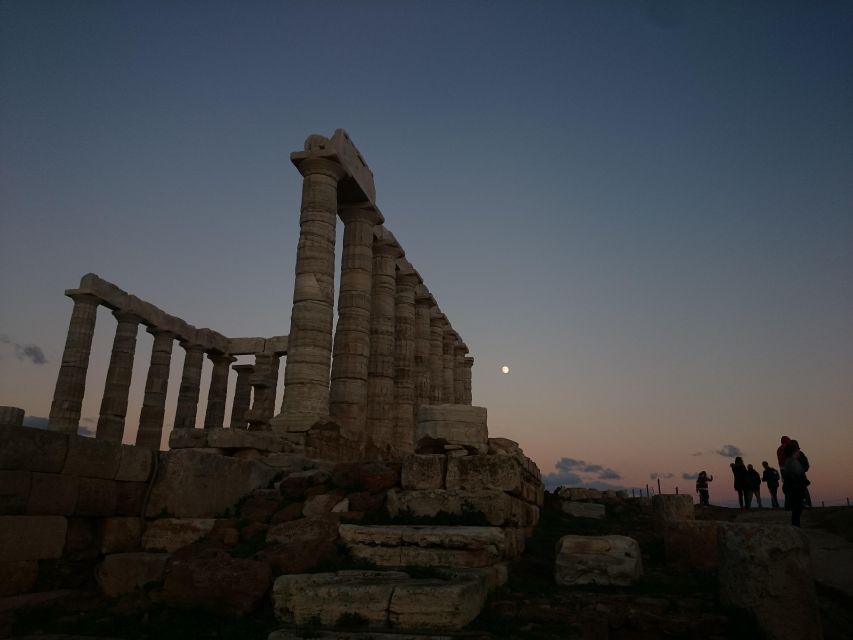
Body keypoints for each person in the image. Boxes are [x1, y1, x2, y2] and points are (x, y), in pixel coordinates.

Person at [781, 440, 809, 527]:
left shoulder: (790, 462)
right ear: (793, 452)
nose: (799, 452)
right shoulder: (793, 463)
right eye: (797, 451)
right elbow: (797, 476)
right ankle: (796, 527)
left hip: (793, 488)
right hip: (795, 489)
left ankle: (796, 526)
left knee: (797, 510)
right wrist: (804, 482)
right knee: (797, 510)